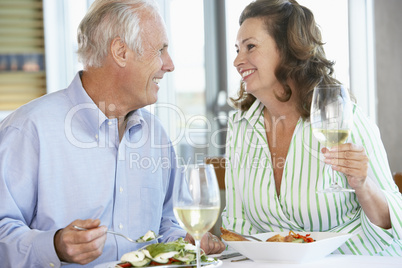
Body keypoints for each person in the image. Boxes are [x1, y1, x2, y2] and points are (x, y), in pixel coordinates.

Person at [0, 0, 225, 267]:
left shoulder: (157, 135)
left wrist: (185, 240)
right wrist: (55, 245)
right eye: (161, 50)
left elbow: (166, 223)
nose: (170, 64)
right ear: (120, 51)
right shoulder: (29, 129)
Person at [221, 0, 402, 256]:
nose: (238, 60)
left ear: (287, 50)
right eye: (237, 49)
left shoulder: (343, 117)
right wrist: (215, 245)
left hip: (356, 260)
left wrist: (362, 184)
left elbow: (396, 224)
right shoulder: (240, 126)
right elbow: (237, 224)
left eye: (250, 47)